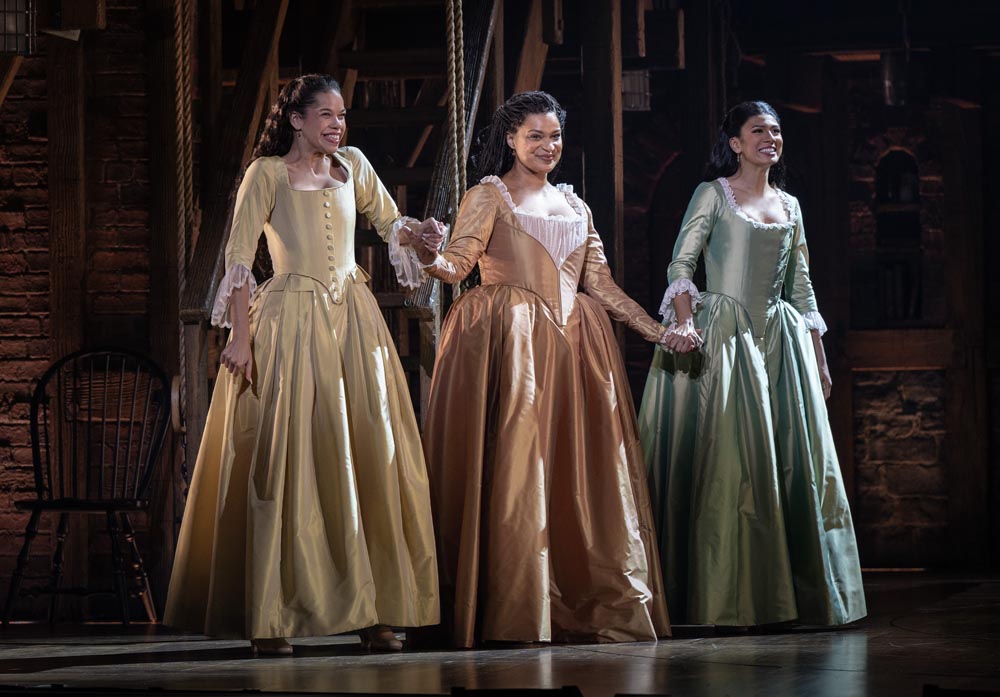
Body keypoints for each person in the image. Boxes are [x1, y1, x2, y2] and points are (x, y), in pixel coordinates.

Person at [164, 75, 440, 655]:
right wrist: (240, 339)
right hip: (290, 319)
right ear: (297, 120)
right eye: (326, 115)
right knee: (291, 455)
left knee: (368, 450)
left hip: (353, 319)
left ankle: (376, 609)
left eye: (342, 115)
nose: (338, 125)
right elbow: (240, 257)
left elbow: (392, 225)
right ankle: (274, 615)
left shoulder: (354, 165)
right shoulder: (266, 174)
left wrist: (423, 236)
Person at [402, 91, 671, 647]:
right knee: (519, 468)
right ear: (510, 139)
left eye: (554, 136)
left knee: (580, 469)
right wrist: (428, 253)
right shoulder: (488, 195)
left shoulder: (575, 205)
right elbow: (457, 266)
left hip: (574, 346)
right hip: (514, 344)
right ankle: (516, 603)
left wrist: (656, 330)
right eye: (535, 136)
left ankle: (579, 599)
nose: (548, 146)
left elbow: (601, 284)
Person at [638, 101, 867, 628]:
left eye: (776, 131)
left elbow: (801, 285)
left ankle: (789, 592)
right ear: (736, 143)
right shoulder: (713, 194)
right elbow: (682, 263)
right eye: (758, 130)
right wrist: (685, 322)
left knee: (792, 462)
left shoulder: (790, 205)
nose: (770, 137)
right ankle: (726, 593)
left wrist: (819, 360)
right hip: (724, 334)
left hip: (781, 340)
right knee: (733, 461)